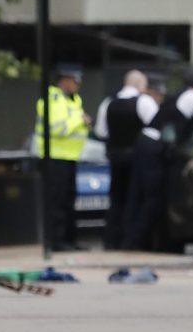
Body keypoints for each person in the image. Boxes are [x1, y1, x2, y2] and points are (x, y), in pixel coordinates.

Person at [94, 70, 159, 250]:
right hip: (138, 158)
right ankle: (131, 239)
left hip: (115, 156)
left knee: (116, 198)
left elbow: (101, 132)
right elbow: (155, 128)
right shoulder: (144, 101)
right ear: (141, 85)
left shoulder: (108, 103)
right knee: (135, 198)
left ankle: (112, 239)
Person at [34, 65, 91, 251]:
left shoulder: (73, 100)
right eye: (75, 81)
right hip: (55, 157)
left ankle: (69, 240)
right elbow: (57, 129)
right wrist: (80, 121)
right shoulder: (52, 99)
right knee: (57, 203)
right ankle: (56, 241)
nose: (78, 85)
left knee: (69, 201)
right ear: (64, 80)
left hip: (70, 157)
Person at [122, 76, 167, 250]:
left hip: (130, 152)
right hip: (148, 151)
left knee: (131, 197)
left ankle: (128, 239)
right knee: (149, 198)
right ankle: (138, 239)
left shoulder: (112, 103)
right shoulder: (147, 102)